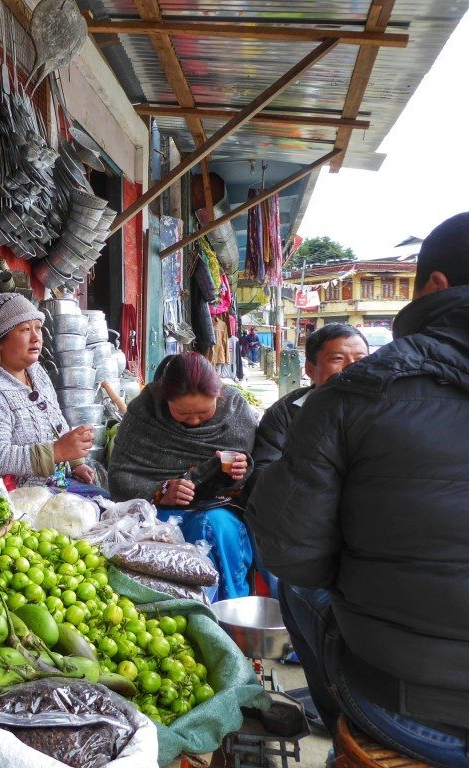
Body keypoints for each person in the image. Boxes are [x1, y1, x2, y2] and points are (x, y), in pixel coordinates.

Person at [247, 212, 469, 766]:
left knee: (295, 586)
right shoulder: (289, 411)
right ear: (312, 363)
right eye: (336, 358)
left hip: (414, 709)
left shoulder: (358, 395)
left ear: (434, 287)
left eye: (353, 356)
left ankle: (333, 714)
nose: (348, 364)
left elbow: (293, 554)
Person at [108, 352, 258, 599]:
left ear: (218, 396)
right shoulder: (144, 412)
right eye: (184, 415)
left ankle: (230, 611)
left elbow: (252, 469)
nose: (195, 421)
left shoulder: (234, 408)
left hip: (221, 512)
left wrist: (241, 470)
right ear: (164, 399)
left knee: (214, 526)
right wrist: (161, 491)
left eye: (203, 412)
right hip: (159, 515)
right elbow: (121, 476)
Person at [0, 293, 98, 490]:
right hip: (18, 500)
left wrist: (76, 462)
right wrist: (57, 452)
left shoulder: (35, 371)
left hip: (57, 484)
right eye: (25, 330)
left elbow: (56, 420)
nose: (36, 338)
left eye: (38, 328)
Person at [246, 323, 368, 493]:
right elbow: (262, 475)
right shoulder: (284, 413)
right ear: (310, 370)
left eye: (361, 360)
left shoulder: (386, 408)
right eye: (337, 359)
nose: (352, 367)